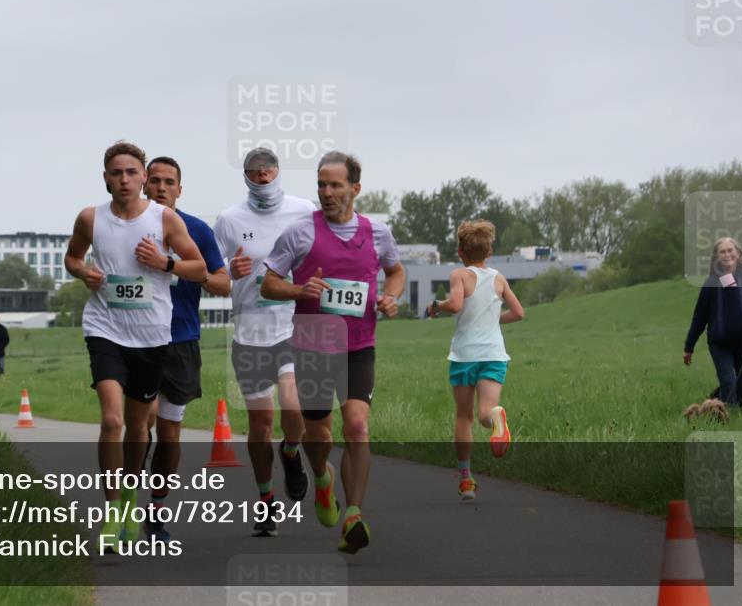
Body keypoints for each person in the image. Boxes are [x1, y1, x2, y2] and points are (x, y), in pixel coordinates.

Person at [65, 141, 207, 552]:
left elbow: (199, 267)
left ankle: (130, 499)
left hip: (150, 335)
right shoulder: (91, 218)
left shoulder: (164, 219)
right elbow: (72, 258)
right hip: (104, 327)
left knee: (138, 428)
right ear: (105, 177)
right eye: (116, 173)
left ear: (143, 177)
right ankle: (112, 513)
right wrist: (84, 273)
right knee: (112, 421)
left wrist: (166, 264)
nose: (124, 180)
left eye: (131, 173)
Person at [261, 151, 404, 553]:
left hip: (358, 346)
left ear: (355, 189)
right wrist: (298, 289)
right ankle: (322, 479)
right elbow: (268, 284)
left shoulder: (377, 233)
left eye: (335, 185)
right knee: (317, 434)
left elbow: (395, 271)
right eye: (321, 185)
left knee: (357, 426)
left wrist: (390, 298)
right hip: (312, 345)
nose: (326, 192)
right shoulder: (300, 233)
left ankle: (354, 514)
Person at [213, 147, 315, 537]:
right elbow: (213, 274)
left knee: (292, 406)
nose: (261, 178)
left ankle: (291, 451)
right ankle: (266, 499)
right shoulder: (229, 219)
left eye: (267, 171)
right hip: (250, 331)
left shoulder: (304, 210)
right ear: (245, 176)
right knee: (261, 421)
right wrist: (228, 270)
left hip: (290, 325)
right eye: (254, 172)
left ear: (278, 172)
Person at [141, 156, 231, 541]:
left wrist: (175, 267)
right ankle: (125, 502)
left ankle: (156, 511)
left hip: (181, 341)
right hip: (137, 341)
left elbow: (224, 284)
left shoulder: (196, 230)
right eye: (155, 180)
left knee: (170, 433)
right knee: (138, 427)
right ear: (144, 186)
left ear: (180, 189)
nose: (162, 187)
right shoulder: (128, 226)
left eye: (169, 182)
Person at [426, 220, 525, 503]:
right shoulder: (499, 278)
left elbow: (456, 305)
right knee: (485, 412)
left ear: (460, 251)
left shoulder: (459, 274)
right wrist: (494, 321)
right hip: (494, 354)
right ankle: (496, 418)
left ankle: (466, 480)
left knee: (464, 416)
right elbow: (518, 312)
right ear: (489, 251)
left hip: (465, 355)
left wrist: (436, 306)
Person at [684, 236, 742, 406]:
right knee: (729, 384)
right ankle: (728, 418)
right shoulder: (711, 284)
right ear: (717, 257)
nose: (727, 254)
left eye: (730, 250)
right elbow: (699, 317)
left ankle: (715, 399)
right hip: (720, 344)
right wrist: (689, 346)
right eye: (722, 252)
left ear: (738, 254)